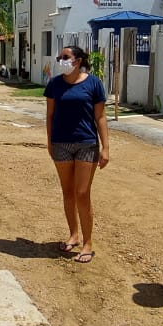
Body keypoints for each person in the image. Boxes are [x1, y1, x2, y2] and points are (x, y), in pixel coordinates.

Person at [44, 45, 110, 263]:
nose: (61, 59)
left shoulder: (94, 84)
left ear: (78, 60)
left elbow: (100, 117)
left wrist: (105, 147)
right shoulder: (54, 85)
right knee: (68, 192)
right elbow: (50, 115)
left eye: (66, 56)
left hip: (86, 144)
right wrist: (49, 141)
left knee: (82, 193)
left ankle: (88, 242)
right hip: (61, 144)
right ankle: (73, 234)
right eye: (59, 56)